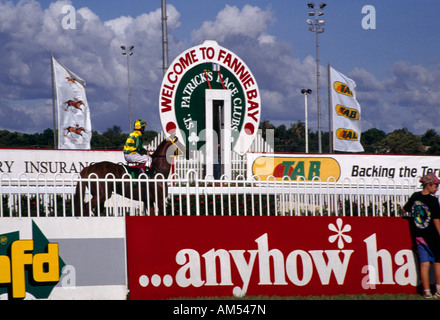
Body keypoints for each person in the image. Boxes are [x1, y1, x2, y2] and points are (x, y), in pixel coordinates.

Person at [403, 173, 440, 298]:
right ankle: (438, 290)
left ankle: (426, 292)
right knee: (437, 263)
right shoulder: (433, 200)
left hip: (419, 236)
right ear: (428, 185)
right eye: (436, 185)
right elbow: (436, 219)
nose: (437, 188)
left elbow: (404, 209)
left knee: (424, 264)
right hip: (432, 236)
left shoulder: (415, 196)